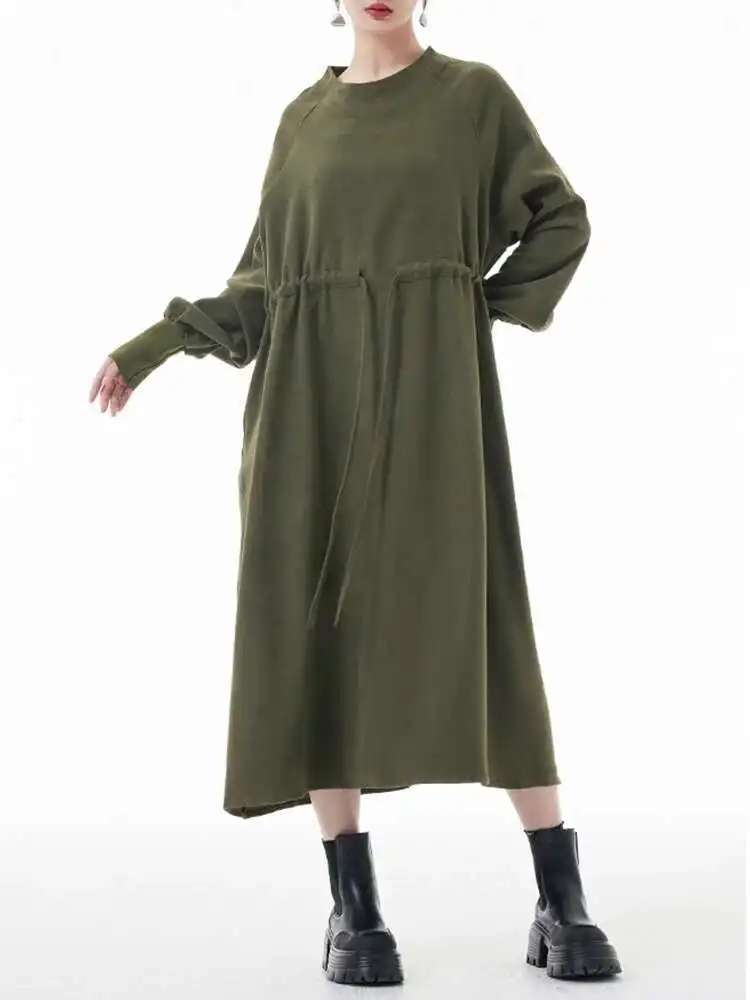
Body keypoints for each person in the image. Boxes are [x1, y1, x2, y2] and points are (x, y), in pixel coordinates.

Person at [88, 0, 622, 987]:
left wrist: (465, 309)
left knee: (484, 617)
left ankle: (562, 897)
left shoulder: (473, 98)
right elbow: (264, 285)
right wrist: (157, 343)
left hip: (435, 401)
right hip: (309, 406)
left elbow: (561, 218)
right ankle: (355, 909)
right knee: (319, 629)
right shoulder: (303, 120)